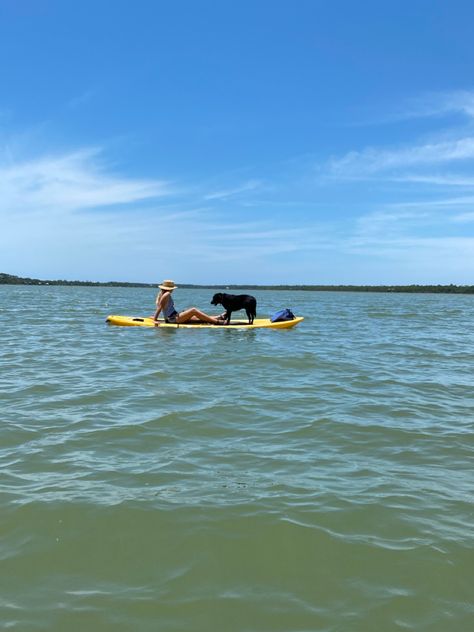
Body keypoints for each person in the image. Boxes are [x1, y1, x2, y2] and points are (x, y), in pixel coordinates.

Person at [153, 280, 225, 326]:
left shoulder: (162, 294)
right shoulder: (167, 294)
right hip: (172, 319)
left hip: (173, 317)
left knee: (195, 318)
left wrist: (154, 317)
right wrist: (155, 320)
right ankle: (217, 322)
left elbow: (161, 307)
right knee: (193, 310)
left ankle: (219, 317)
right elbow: (160, 307)